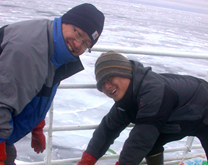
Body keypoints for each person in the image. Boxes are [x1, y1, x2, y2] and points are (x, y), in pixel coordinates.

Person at [0, 3, 104, 165]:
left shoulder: (54, 48)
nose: (78, 44)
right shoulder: (29, 50)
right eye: (78, 34)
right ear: (66, 21)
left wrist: (37, 127)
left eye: (86, 44)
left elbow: (37, 89)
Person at [77, 51, 208, 165]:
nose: (108, 86)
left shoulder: (152, 91)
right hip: (181, 121)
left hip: (204, 111)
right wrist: (85, 162)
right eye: (102, 84)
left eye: (109, 78)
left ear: (123, 71)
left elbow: (139, 141)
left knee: (145, 142)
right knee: (152, 145)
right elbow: (106, 131)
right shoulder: (125, 99)